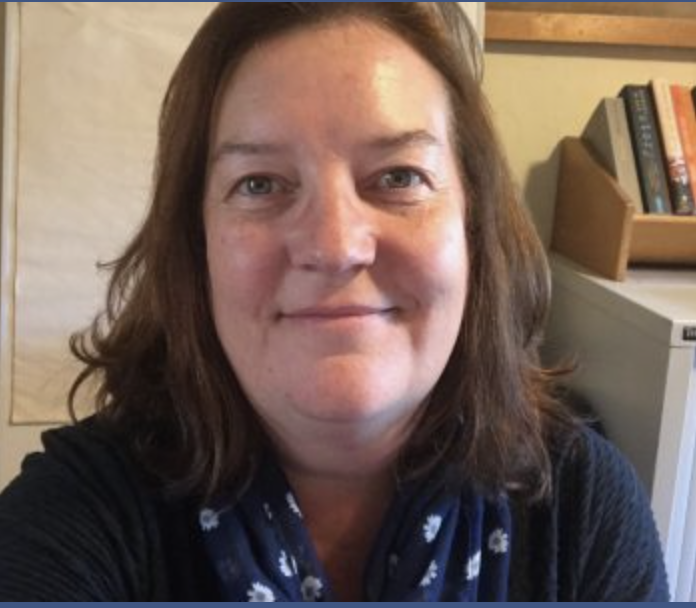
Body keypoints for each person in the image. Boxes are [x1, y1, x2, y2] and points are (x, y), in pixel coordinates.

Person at [0, 3, 668, 601]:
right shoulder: (75, 520)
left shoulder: (580, 505)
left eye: (400, 176)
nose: (335, 244)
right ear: (195, 243)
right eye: (259, 183)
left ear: (474, 228)